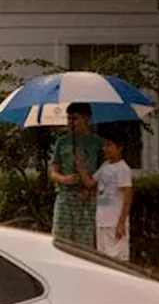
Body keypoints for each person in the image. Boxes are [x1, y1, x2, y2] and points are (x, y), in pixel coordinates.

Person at [49, 102, 105, 249]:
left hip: (86, 198)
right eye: (68, 119)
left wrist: (91, 189)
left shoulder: (98, 143)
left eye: (75, 118)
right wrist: (64, 179)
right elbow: (53, 172)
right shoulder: (62, 142)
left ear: (86, 118)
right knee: (61, 240)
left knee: (84, 244)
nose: (70, 123)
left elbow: (105, 173)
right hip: (65, 196)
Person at [78, 127, 133, 262]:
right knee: (103, 259)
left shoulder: (123, 169)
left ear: (120, 148)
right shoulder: (105, 166)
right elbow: (90, 183)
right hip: (102, 220)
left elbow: (128, 195)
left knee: (117, 260)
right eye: (104, 145)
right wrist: (81, 167)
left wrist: (121, 222)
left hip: (114, 223)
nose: (105, 149)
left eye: (109, 145)